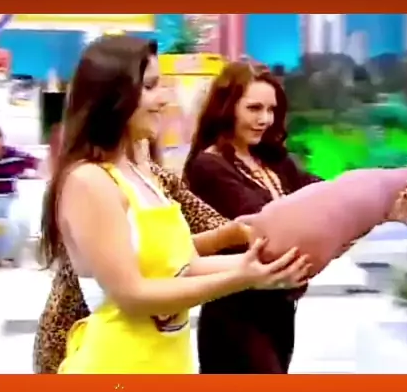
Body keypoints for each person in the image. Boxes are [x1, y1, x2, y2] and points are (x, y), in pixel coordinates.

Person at [40, 36, 310, 375]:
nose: (164, 98)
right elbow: (132, 295)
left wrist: (261, 268)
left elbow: (183, 264)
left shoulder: (144, 174)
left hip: (167, 364)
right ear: (113, 95)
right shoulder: (89, 181)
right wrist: (241, 277)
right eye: (150, 87)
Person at [184, 62, 407, 374]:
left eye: (271, 109)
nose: (265, 119)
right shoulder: (209, 167)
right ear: (227, 108)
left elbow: (333, 203)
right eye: (254, 108)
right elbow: (269, 228)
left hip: (280, 313)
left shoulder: (274, 162)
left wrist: (385, 209)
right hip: (236, 316)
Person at [34, 139, 252, 374]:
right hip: (97, 345)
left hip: (159, 353)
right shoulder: (90, 181)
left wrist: (252, 256)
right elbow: (133, 290)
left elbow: (179, 253)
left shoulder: (149, 176)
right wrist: (240, 270)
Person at [0, 122, 38, 267]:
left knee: (19, 222)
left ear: (0, 139)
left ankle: (9, 255)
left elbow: (37, 163)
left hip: (10, 197)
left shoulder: (15, 156)